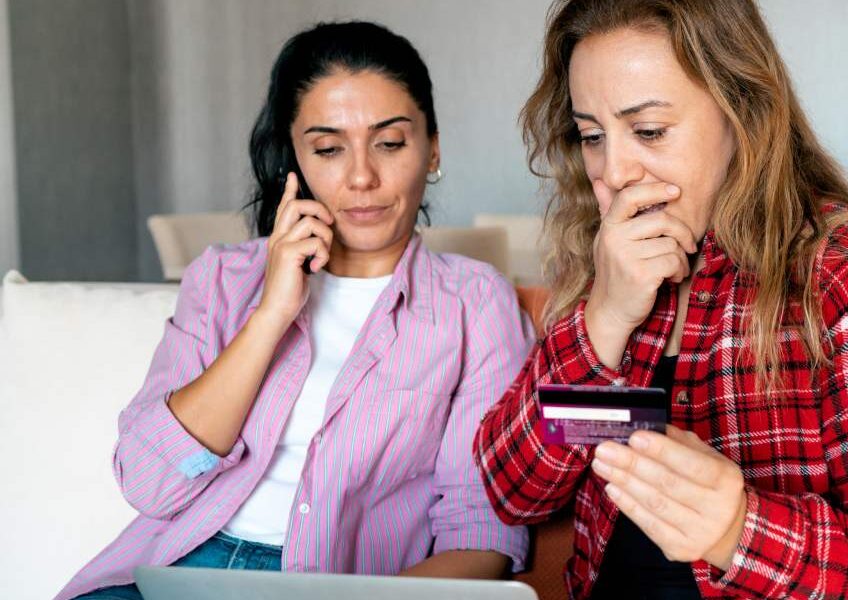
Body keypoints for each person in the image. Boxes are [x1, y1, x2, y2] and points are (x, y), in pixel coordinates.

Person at [473, 1, 848, 598]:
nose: (615, 170)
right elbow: (515, 492)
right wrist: (604, 318)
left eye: (648, 131)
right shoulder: (611, 264)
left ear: (741, 110)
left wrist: (737, 529)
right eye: (592, 136)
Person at [58, 21, 531, 600]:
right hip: (172, 571)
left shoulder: (474, 305)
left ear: (432, 148)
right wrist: (271, 314)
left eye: (390, 142)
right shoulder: (223, 277)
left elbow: (480, 526)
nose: (361, 176)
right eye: (329, 148)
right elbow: (150, 483)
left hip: (335, 587)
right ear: (295, 158)